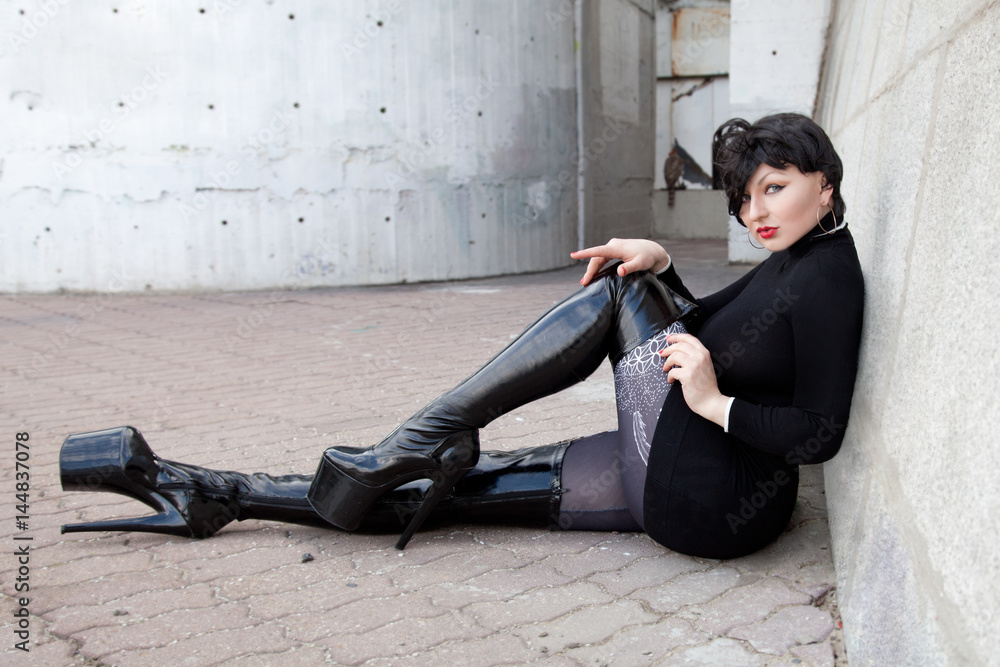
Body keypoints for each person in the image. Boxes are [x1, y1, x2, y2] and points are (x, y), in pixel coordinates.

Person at [59, 113, 864, 559]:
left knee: (621, 292)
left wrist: (716, 404)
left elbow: (821, 432)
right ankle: (214, 491)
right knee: (461, 490)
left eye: (775, 188)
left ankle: (421, 433)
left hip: (718, 495)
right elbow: (724, 332)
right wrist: (665, 265)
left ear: (823, 180)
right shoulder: (801, 253)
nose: (756, 211)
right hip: (695, 478)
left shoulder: (827, 278)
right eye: (745, 198)